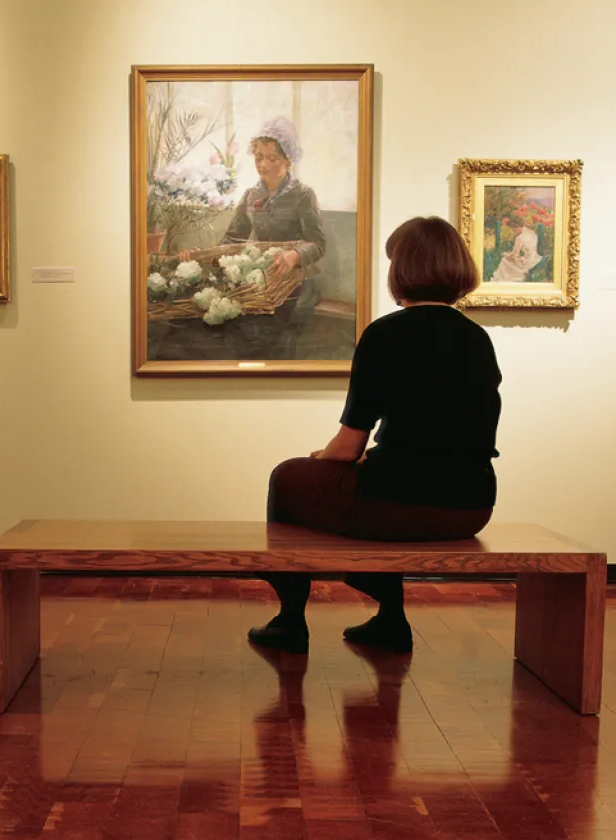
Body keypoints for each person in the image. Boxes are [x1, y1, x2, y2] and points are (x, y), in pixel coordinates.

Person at [248, 216, 502, 655]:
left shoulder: (385, 334)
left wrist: (321, 458)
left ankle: (290, 619)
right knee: (379, 479)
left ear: (402, 269)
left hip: (398, 506)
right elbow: (452, 434)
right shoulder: (477, 338)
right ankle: (389, 619)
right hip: (472, 505)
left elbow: (349, 446)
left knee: (287, 478)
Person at [174, 116, 327, 358]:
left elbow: (318, 244)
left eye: (272, 158)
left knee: (265, 330)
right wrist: (204, 256)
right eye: (258, 157)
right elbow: (233, 239)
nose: (263, 165)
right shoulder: (251, 195)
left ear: (288, 159)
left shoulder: (303, 195)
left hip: (296, 281)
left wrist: (295, 255)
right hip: (262, 276)